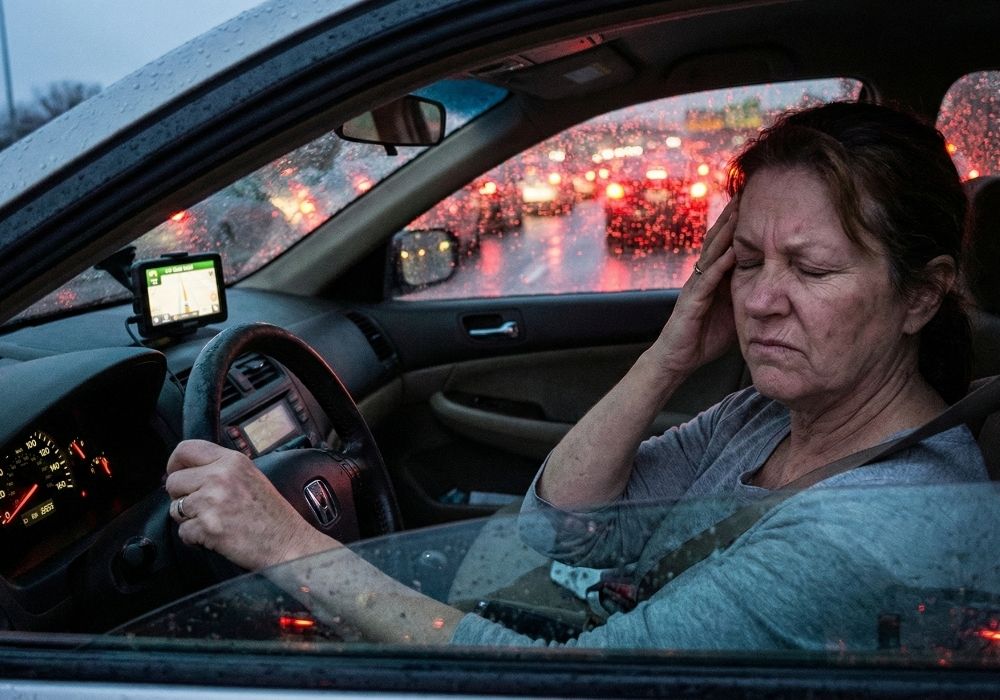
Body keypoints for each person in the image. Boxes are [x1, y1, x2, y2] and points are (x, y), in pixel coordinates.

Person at [164, 101, 996, 650]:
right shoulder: (765, 417)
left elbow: (568, 682)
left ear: (920, 296)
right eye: (746, 262)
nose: (762, 302)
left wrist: (283, 543)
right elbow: (563, 526)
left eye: (811, 271)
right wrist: (670, 350)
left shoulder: (873, 532)